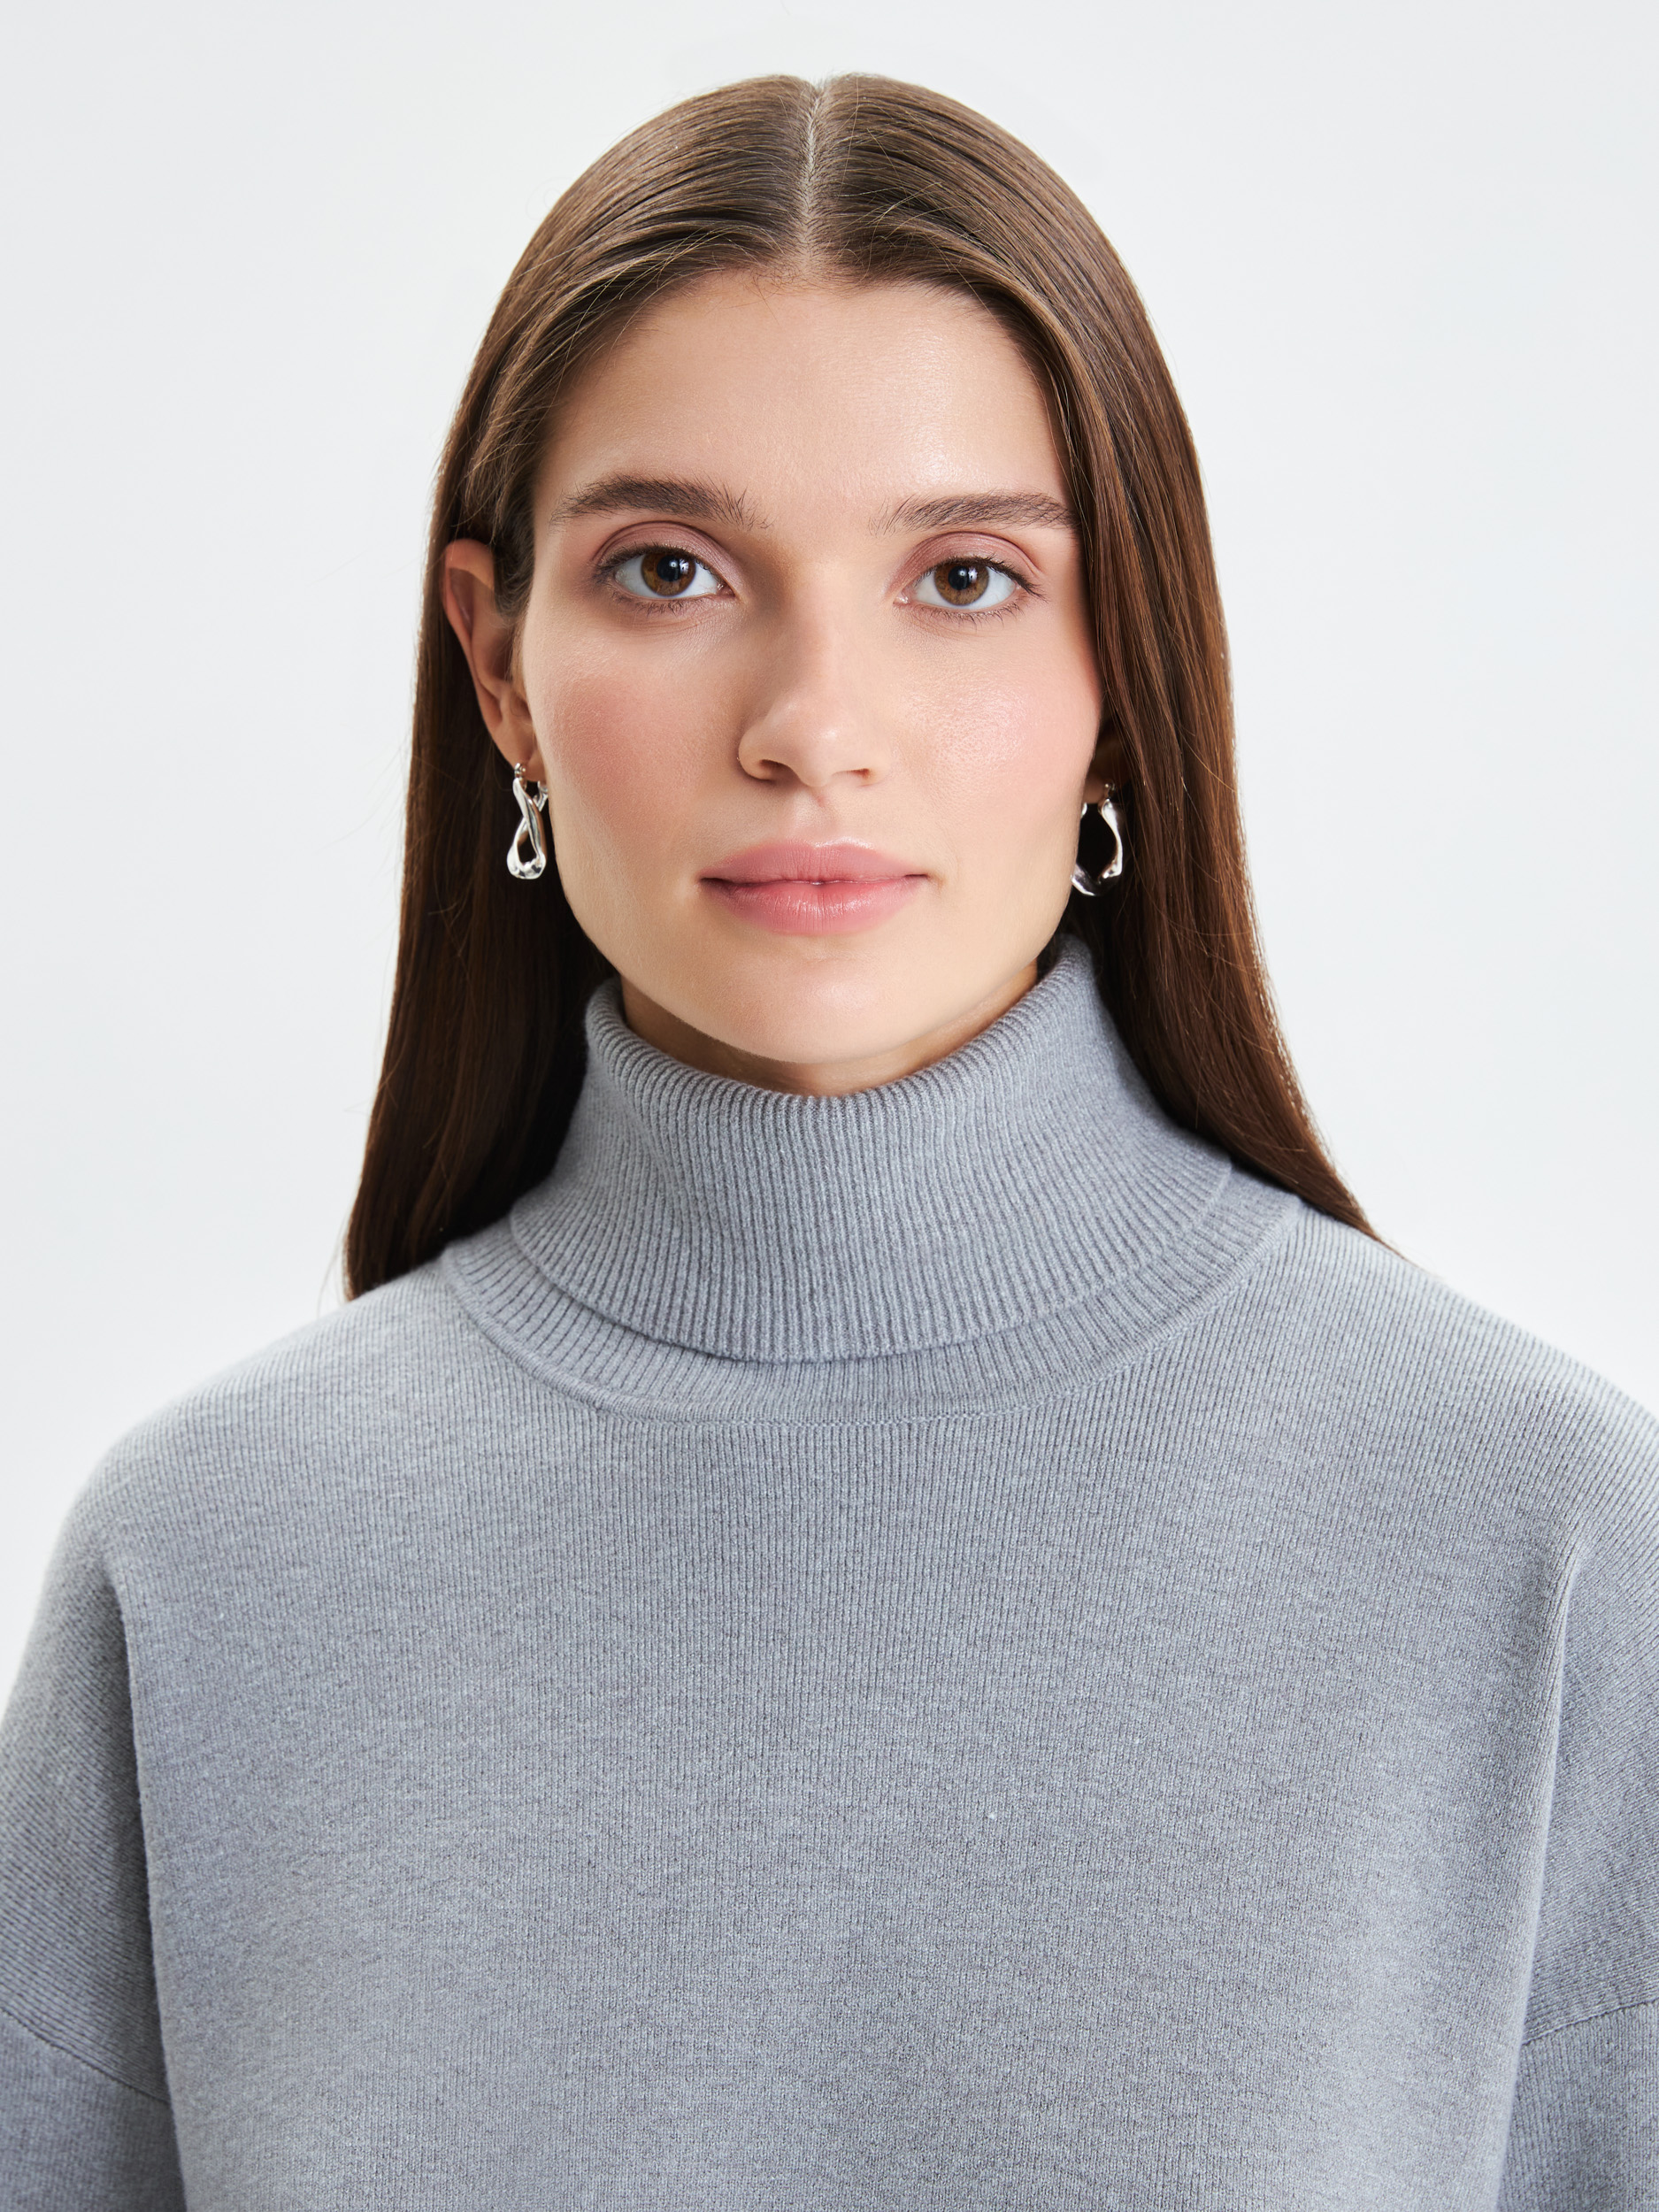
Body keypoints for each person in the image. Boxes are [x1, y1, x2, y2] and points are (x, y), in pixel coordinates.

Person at [1, 72, 1654, 2210]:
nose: (809, 724)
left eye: (961, 576)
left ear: (1121, 679)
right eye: (669, 569)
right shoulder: (208, 1574)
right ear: (498, 666)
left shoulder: (1534, 1549)